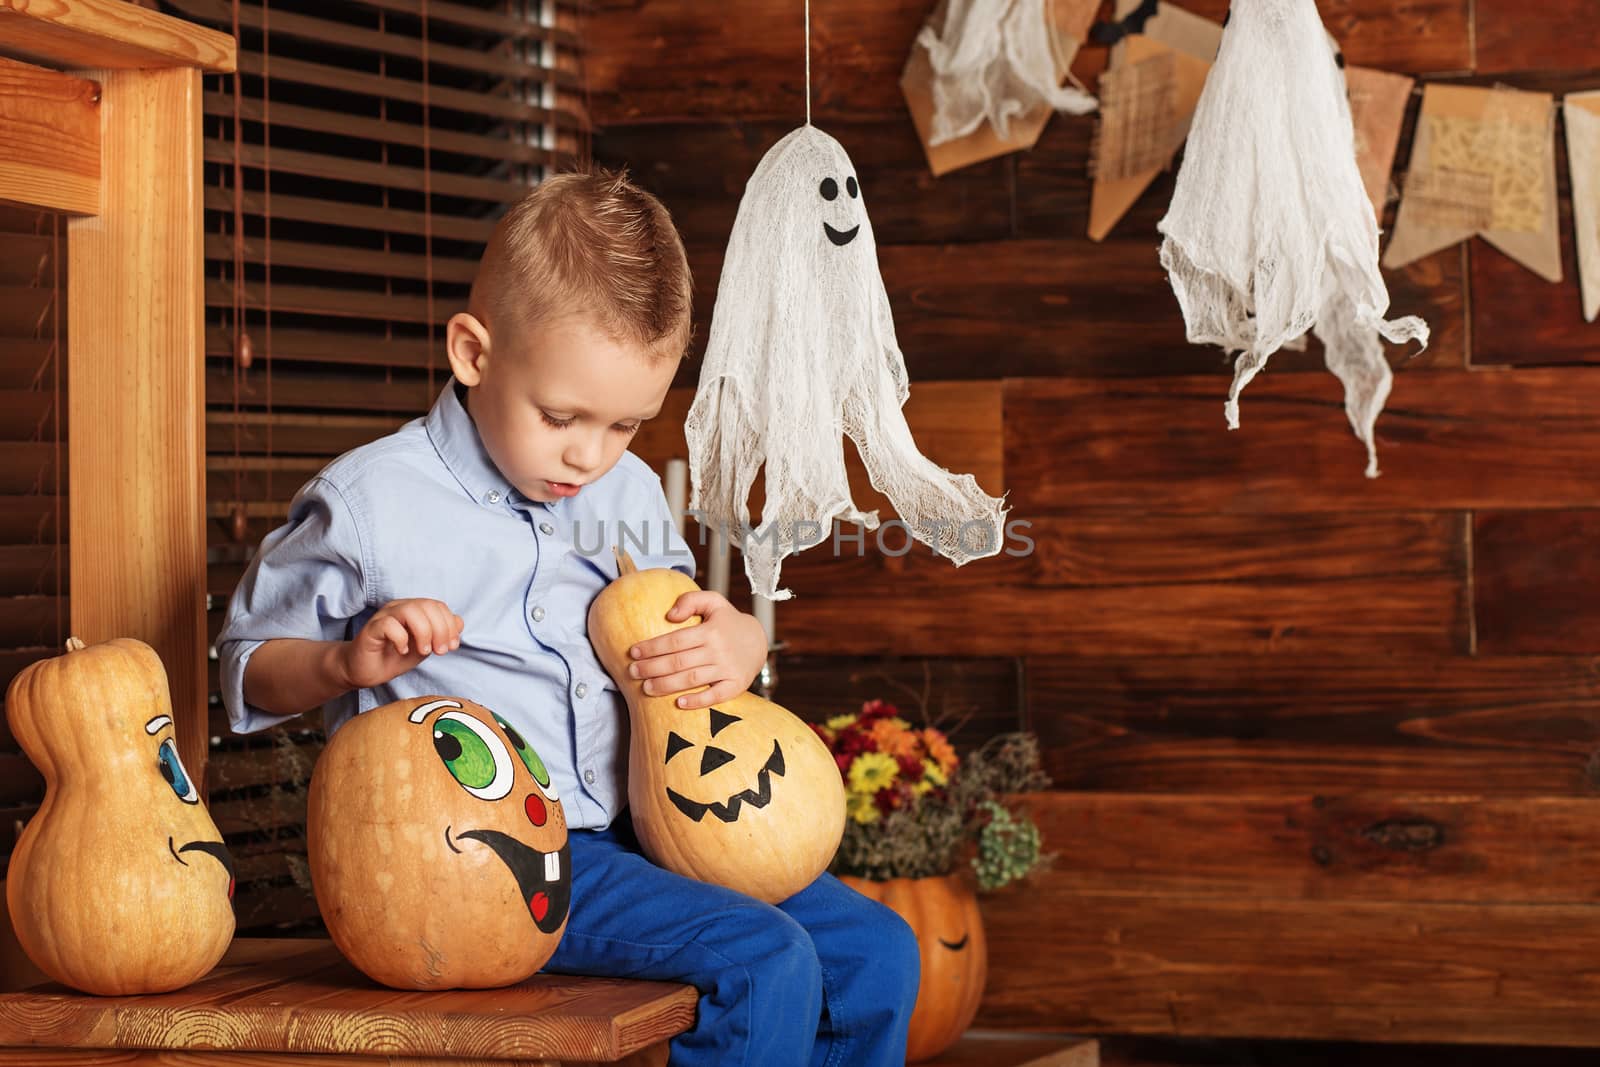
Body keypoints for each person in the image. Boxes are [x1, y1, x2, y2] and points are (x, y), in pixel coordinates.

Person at [217, 168, 920, 1066]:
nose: (590, 454)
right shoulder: (369, 503)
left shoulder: (623, 492)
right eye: (561, 416)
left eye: (626, 424)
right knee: (764, 959)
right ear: (474, 354)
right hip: (506, 855)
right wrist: (343, 664)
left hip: (655, 827)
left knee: (877, 953)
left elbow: (671, 631)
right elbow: (243, 666)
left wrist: (736, 636)